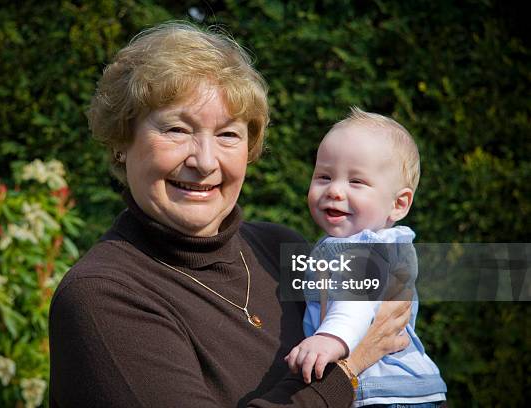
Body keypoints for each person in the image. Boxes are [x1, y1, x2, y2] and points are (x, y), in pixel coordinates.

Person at [49, 22, 413, 407]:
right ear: (123, 140)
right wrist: (351, 366)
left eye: (227, 135)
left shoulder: (279, 248)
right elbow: (361, 352)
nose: (205, 162)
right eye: (176, 129)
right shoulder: (102, 295)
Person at [285, 108, 447, 407]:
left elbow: (355, 301)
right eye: (324, 176)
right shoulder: (362, 244)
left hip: (387, 395)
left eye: (356, 182)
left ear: (399, 204)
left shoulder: (366, 248)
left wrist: (330, 340)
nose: (334, 190)